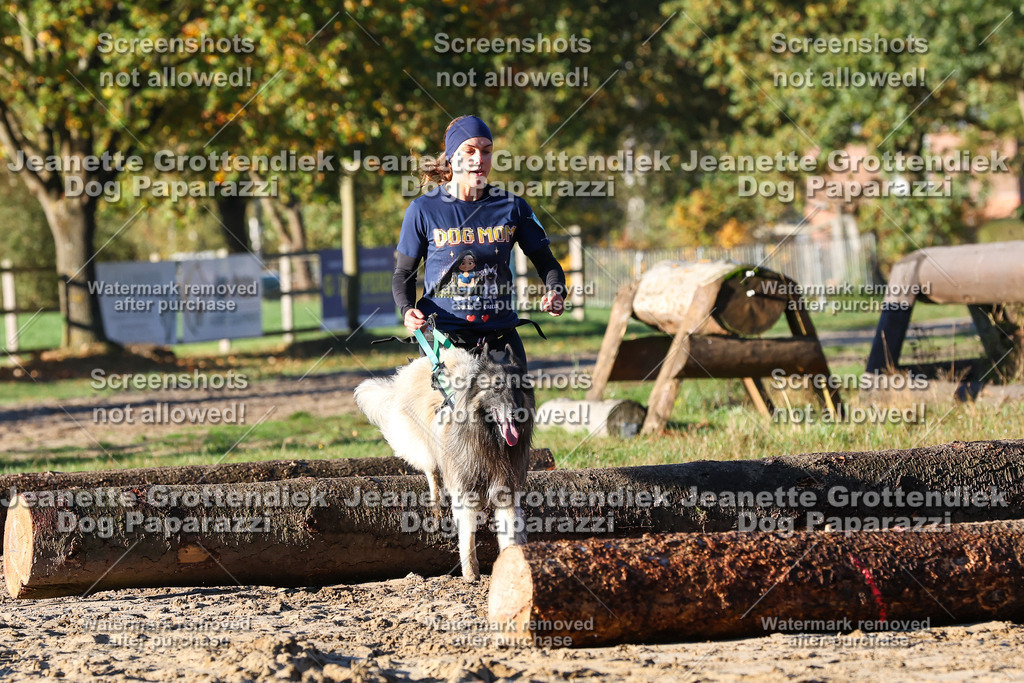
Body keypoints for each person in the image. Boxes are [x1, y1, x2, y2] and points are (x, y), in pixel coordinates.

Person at [392, 115, 566, 367]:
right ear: (452, 157)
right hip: (443, 341)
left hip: (500, 339)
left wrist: (555, 291)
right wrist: (407, 310)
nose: (479, 159)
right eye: (470, 150)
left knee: (514, 396)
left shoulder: (513, 207)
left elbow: (546, 262)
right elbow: (403, 273)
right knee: (453, 396)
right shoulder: (423, 210)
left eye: (486, 151)